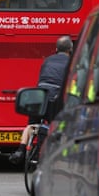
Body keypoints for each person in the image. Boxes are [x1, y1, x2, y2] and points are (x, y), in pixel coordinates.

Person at [9, 35, 73, 164]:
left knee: (31, 124)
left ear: (56, 49)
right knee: (59, 124)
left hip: (40, 94)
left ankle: (20, 150)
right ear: (70, 49)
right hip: (56, 96)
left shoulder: (47, 60)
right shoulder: (72, 62)